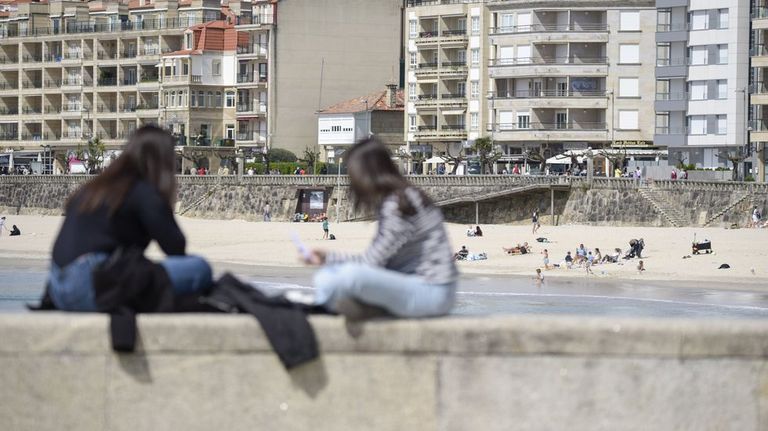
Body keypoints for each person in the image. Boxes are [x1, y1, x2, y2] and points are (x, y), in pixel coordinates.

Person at [47, 125, 212, 312]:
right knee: (200, 268)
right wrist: (164, 201)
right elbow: (175, 246)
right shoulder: (143, 191)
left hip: (58, 289)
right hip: (89, 287)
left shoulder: (94, 188)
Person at [305, 137, 457, 318]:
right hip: (434, 290)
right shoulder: (405, 197)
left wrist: (330, 258)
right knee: (327, 277)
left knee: (339, 278)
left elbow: (371, 263)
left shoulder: (399, 205)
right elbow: (376, 260)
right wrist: (328, 257)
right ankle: (354, 307)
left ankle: (333, 309)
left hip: (431, 292)